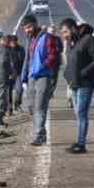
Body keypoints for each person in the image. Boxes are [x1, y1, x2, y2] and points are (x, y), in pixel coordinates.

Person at [60, 17, 94, 153]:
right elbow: (69, 62)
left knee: (81, 113)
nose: (64, 35)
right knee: (78, 114)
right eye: (62, 33)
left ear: (73, 29)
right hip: (74, 84)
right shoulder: (73, 43)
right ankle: (79, 142)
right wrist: (68, 76)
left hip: (86, 83)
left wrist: (83, 73)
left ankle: (81, 144)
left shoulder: (88, 40)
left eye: (65, 32)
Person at [20, 13, 62, 147]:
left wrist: (43, 67)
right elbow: (28, 58)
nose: (28, 30)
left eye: (30, 27)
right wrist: (24, 76)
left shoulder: (46, 37)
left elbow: (53, 56)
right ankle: (40, 133)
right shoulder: (29, 39)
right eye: (25, 28)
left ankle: (39, 136)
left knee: (40, 106)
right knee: (31, 107)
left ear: (35, 24)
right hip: (31, 77)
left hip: (44, 76)